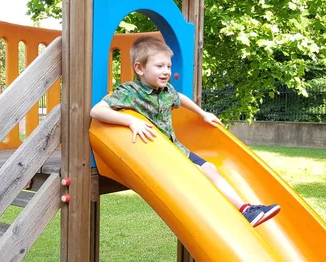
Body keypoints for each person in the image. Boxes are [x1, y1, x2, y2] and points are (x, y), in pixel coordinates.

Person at [90, 36, 280, 227]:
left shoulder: (167, 91)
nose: (166, 72)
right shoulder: (129, 92)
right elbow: (96, 111)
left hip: (176, 149)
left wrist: (202, 113)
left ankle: (245, 210)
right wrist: (130, 121)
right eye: (159, 66)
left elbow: (180, 97)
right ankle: (231, 216)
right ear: (140, 68)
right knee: (198, 175)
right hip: (158, 156)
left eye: (168, 67)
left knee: (210, 169)